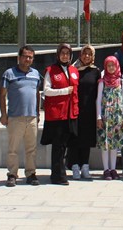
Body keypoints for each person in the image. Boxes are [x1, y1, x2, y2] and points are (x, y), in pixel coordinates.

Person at [0, 45, 41, 187]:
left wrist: (37, 113)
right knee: (13, 149)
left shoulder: (36, 74)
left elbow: (37, 94)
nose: (27, 59)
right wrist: (3, 114)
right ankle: (12, 174)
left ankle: (31, 173)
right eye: (25, 56)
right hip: (15, 117)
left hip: (32, 117)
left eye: (30, 57)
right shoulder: (9, 74)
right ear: (19, 57)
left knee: (31, 148)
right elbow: (2, 95)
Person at [41, 43, 79, 185]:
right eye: (62, 53)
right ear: (58, 55)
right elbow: (46, 91)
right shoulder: (51, 70)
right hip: (57, 114)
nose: (65, 56)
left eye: (67, 53)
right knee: (58, 146)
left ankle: (64, 170)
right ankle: (57, 175)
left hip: (71, 113)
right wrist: (64, 91)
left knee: (67, 144)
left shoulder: (74, 70)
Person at [69, 44, 100, 180]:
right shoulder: (73, 70)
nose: (86, 56)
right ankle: (74, 166)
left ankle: (85, 166)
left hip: (90, 111)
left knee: (87, 139)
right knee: (75, 138)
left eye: (89, 54)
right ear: (80, 55)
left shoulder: (96, 71)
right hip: (75, 109)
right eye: (84, 53)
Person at [96, 56, 123, 180]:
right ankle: (106, 169)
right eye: (108, 66)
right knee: (105, 144)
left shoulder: (121, 82)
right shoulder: (102, 82)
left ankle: (113, 169)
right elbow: (98, 100)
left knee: (114, 144)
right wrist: (98, 117)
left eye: (113, 65)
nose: (111, 68)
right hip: (105, 117)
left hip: (117, 117)